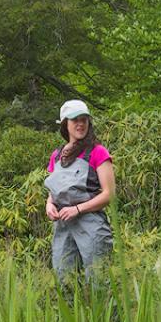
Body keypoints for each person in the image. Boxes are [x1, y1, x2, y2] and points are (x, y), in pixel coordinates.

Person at [44, 99, 115, 279]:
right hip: (63, 225)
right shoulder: (56, 155)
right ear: (65, 124)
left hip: (91, 224)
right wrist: (49, 205)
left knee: (99, 280)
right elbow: (53, 191)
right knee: (65, 280)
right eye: (75, 120)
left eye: (84, 119)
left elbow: (109, 194)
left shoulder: (98, 152)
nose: (80, 124)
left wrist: (77, 209)